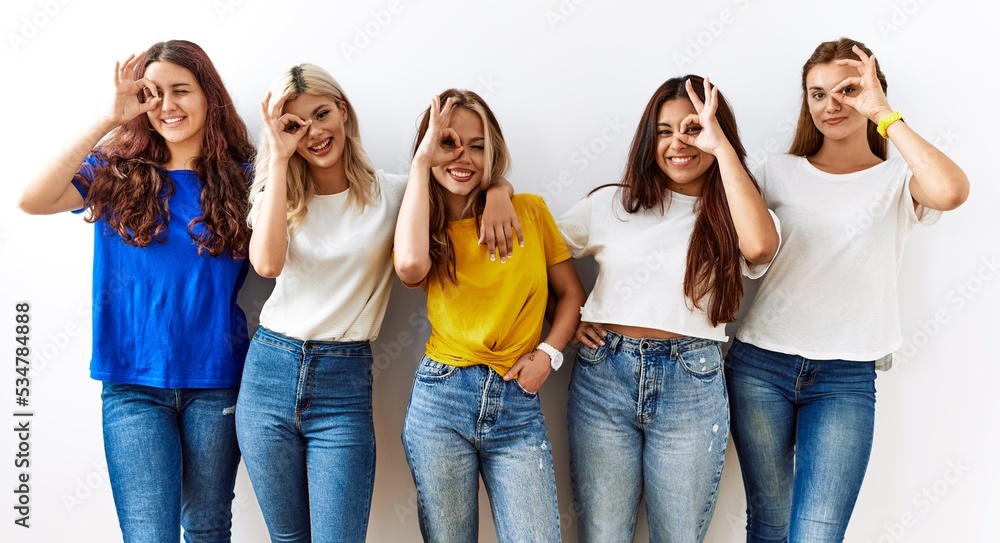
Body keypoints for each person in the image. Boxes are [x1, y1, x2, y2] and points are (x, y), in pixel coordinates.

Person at [236, 67, 519, 543]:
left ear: (343, 112)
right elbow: (266, 264)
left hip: (342, 385)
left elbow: (440, 222)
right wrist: (280, 161)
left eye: (322, 114)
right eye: (295, 124)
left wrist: (499, 190)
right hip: (269, 373)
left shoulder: (393, 192)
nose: (314, 132)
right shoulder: (275, 191)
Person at [726, 38, 969, 542]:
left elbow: (951, 191)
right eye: (817, 94)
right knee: (768, 525)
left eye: (848, 90)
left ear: (873, 92)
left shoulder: (900, 177)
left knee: (817, 534)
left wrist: (883, 114)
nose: (831, 105)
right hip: (760, 366)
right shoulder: (775, 172)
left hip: (846, 378)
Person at [18, 40, 253, 543]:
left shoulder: (244, 178)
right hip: (131, 385)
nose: (166, 106)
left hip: (218, 381)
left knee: (209, 529)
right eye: (152, 94)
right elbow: (30, 199)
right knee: (149, 535)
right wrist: (108, 120)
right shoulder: (113, 172)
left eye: (180, 91)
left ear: (209, 96)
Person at [558, 75, 780, 543]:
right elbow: (531, 258)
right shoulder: (612, 204)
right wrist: (565, 317)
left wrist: (723, 152)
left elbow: (760, 247)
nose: (678, 142)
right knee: (603, 533)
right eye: (664, 131)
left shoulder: (738, 210)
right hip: (604, 374)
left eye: (694, 128)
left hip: (692, 380)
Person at [394, 89, 586, 542]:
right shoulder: (421, 221)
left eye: (477, 145)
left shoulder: (531, 212)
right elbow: (409, 268)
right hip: (441, 400)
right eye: (447, 143)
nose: (463, 156)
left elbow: (572, 295)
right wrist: (421, 167)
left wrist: (549, 355)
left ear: (493, 150)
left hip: (517, 404)